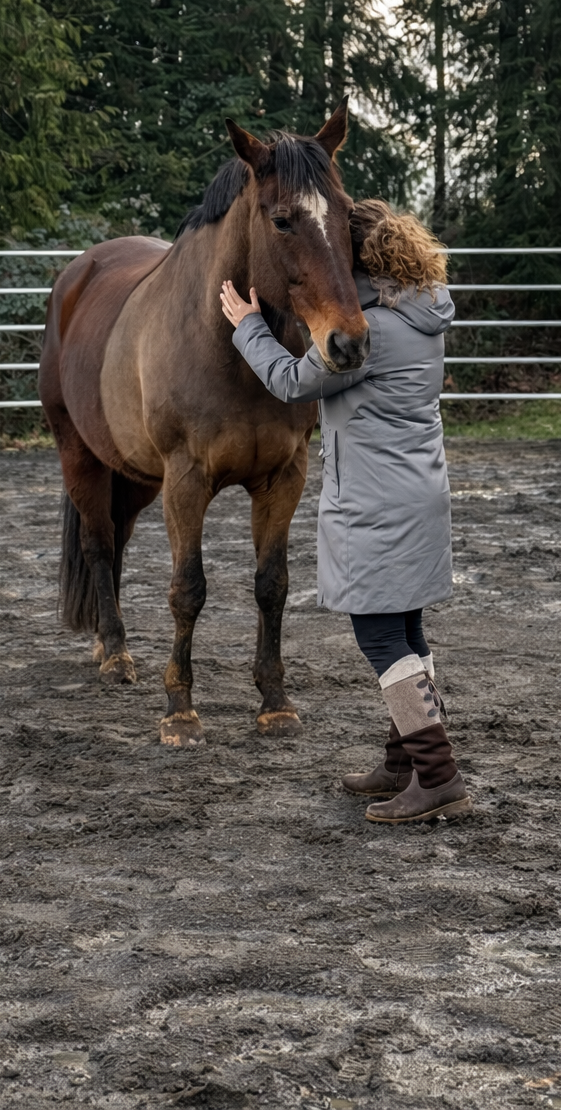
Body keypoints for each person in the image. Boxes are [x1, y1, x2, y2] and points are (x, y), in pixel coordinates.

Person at [220, 198, 471, 826]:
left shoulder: (371, 334)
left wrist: (247, 325)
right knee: (407, 626)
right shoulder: (421, 313)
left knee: (379, 632)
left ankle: (437, 776)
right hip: (418, 491)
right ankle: (404, 759)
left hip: (377, 501)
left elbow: (288, 380)